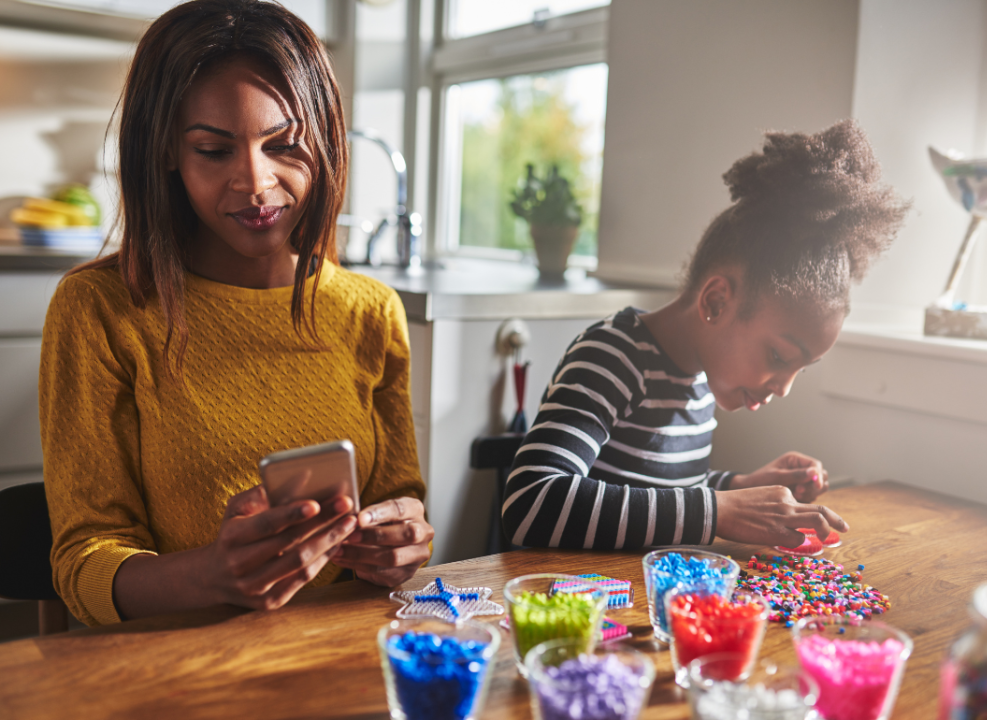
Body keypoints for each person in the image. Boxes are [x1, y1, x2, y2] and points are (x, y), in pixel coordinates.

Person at [38, 0, 433, 627]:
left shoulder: (371, 312)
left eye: (284, 145)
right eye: (214, 150)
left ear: (326, 141)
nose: (256, 183)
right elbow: (84, 563)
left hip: (342, 656)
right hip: (181, 667)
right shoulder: (101, 311)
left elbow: (397, 500)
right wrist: (212, 574)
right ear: (167, 152)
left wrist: (401, 539)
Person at [502, 120, 909, 551]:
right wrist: (722, 510)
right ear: (716, 302)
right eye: (778, 355)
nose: (785, 387)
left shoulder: (700, 378)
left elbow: (661, 488)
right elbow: (530, 504)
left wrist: (740, 487)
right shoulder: (612, 357)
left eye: (800, 369)